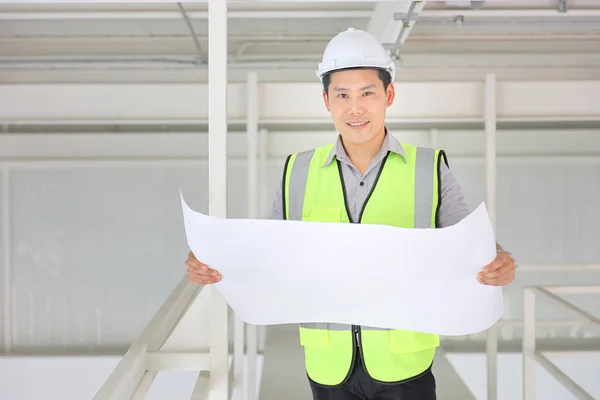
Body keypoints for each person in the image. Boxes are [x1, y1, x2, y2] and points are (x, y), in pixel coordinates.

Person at [186, 27, 516, 400]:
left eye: (367, 93)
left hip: (405, 365)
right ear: (326, 101)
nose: (355, 108)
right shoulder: (297, 171)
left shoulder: (429, 169)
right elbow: (268, 255)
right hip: (329, 366)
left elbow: (467, 242)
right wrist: (214, 261)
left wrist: (497, 258)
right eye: (342, 95)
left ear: (388, 95)